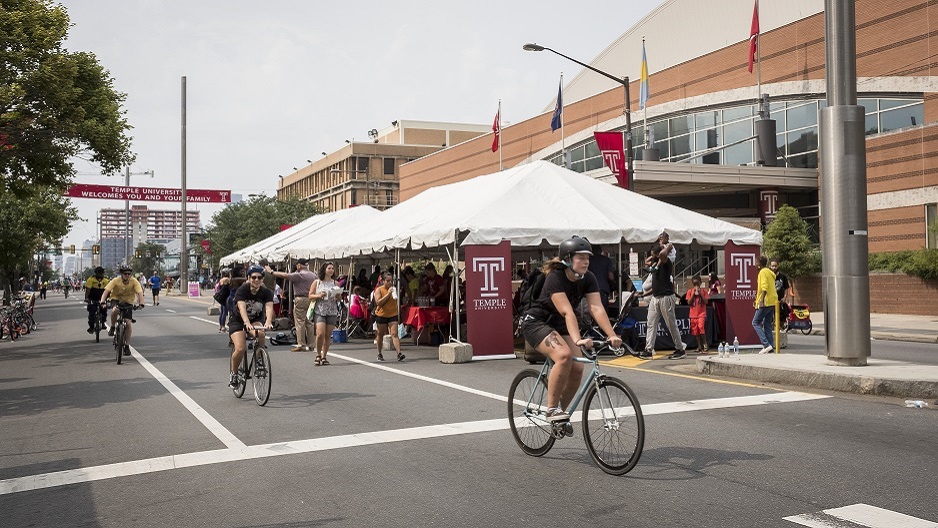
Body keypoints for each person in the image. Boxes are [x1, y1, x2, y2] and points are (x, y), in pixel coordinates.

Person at [519, 236, 622, 426]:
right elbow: (568, 313)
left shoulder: (588, 278)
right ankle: (551, 409)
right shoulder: (554, 278)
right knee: (564, 355)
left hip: (559, 325)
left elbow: (597, 308)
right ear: (567, 258)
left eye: (588, 258)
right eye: (580, 257)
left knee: (577, 368)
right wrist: (577, 340)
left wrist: (612, 335)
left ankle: (561, 416)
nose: (586, 262)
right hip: (536, 322)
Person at [227, 265, 274, 388]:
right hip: (238, 320)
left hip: (255, 320)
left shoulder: (266, 292)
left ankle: (259, 360)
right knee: (241, 348)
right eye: (253, 277)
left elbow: (269, 308)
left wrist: (268, 321)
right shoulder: (242, 290)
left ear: (263, 279)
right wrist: (246, 323)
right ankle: (234, 373)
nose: (256, 280)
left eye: (259, 277)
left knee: (261, 334)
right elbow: (242, 308)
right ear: (248, 278)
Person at [644, 241, 687, 360]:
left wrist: (668, 246)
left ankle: (680, 349)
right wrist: (655, 259)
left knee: (671, 324)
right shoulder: (655, 263)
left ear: (658, 255)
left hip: (666, 297)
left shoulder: (666, 262)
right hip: (656, 297)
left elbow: (663, 254)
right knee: (651, 323)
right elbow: (646, 261)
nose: (651, 256)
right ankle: (648, 349)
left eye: (653, 254)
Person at [265, 258, 317, 352]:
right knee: (309, 322)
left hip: (300, 298)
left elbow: (285, 275)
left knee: (300, 321)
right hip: (311, 299)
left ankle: (301, 344)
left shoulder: (299, 275)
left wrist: (272, 272)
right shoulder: (313, 275)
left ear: (299, 265)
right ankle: (311, 344)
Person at [100, 265, 145, 356]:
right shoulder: (116, 280)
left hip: (128, 302)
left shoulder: (134, 281)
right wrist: (102, 301)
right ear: (121, 274)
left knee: (128, 323)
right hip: (116, 299)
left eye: (129, 274)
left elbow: (140, 293)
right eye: (125, 274)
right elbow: (106, 291)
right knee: (115, 310)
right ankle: (113, 327)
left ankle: (127, 346)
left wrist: (141, 303)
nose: (127, 276)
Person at [309, 262, 341, 366]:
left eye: (332, 268)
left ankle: (324, 356)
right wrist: (318, 295)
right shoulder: (317, 282)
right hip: (320, 310)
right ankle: (318, 354)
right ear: (324, 270)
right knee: (320, 334)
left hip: (332, 310)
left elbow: (340, 299)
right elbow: (310, 295)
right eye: (329, 268)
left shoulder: (336, 283)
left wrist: (338, 295)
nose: (331, 270)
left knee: (328, 335)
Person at [373, 270, 405, 362]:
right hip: (382, 314)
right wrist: (388, 294)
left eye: (391, 281)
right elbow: (378, 302)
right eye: (388, 281)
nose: (390, 283)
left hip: (392, 314)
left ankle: (399, 353)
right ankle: (379, 353)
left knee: (394, 334)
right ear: (383, 281)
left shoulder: (394, 289)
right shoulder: (379, 290)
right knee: (380, 334)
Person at [753, 255, 778, 354]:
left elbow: (764, 287)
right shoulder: (769, 272)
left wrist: (761, 300)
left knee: (755, 322)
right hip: (772, 301)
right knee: (767, 324)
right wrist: (757, 299)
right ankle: (770, 347)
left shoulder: (762, 272)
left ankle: (766, 344)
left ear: (759, 263)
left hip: (766, 301)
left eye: (756, 262)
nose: (755, 264)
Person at [684, 275, 710, 353]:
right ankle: (699, 346)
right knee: (695, 331)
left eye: (697, 284)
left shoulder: (704, 291)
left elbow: (706, 302)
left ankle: (705, 344)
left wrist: (700, 294)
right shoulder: (689, 291)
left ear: (700, 283)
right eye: (694, 284)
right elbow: (689, 302)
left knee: (701, 327)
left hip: (701, 313)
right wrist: (693, 294)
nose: (696, 286)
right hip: (693, 314)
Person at [587, 243, 616, 308]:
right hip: (603, 288)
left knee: (592, 310)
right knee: (603, 310)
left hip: (589, 289)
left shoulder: (588, 260)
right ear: (600, 251)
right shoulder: (607, 260)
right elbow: (610, 277)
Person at [84, 266, 109, 334]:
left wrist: (109, 298)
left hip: (102, 298)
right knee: (91, 312)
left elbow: (108, 290)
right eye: (99, 272)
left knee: (104, 310)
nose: (100, 274)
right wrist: (86, 298)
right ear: (96, 273)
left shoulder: (106, 280)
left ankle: (103, 322)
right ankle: (91, 326)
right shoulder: (91, 279)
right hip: (93, 298)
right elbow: (88, 290)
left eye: (102, 272)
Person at [770, 259, 791, 326]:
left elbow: (786, 288)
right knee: (771, 319)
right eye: (772, 266)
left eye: (775, 266)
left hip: (780, 301)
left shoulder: (782, 276)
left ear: (778, 266)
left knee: (781, 319)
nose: (774, 268)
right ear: (770, 266)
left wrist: (785, 298)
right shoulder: (768, 276)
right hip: (771, 301)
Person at [215, 268, 231, 332]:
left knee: (222, 312)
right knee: (225, 312)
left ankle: (221, 326)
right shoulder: (227, 280)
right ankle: (223, 326)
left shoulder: (220, 280)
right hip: (226, 297)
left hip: (222, 297)